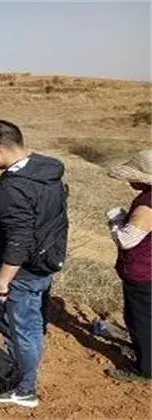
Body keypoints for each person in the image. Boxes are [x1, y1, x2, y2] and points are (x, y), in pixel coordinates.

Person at [0, 119, 68, 408]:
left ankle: (22, 389)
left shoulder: (14, 187)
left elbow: (19, 239)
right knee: (31, 325)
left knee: (21, 332)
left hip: (22, 272)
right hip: (45, 263)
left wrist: (2, 281)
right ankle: (22, 373)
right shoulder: (45, 169)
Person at [105, 149, 152, 382]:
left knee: (140, 318)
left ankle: (146, 369)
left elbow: (127, 240)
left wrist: (115, 220)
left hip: (142, 272)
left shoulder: (148, 204)